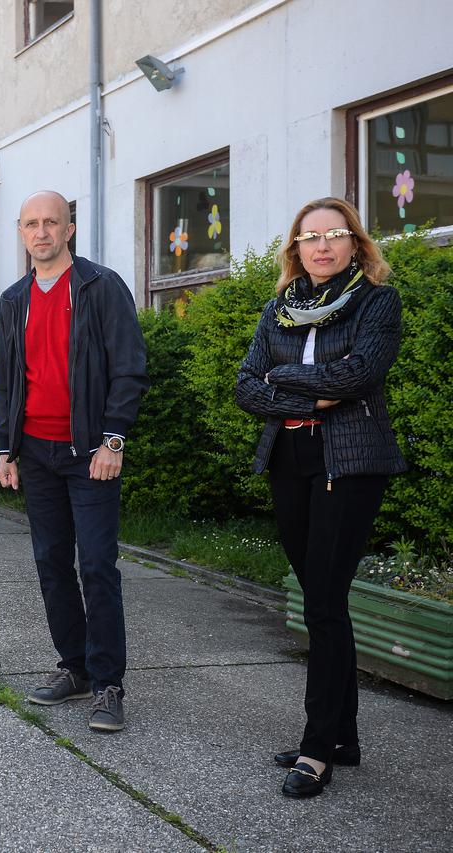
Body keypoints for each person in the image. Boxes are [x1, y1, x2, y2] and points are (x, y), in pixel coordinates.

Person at [234, 197, 403, 799]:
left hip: (347, 461)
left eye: (334, 234)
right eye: (311, 237)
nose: (322, 245)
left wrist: (282, 379)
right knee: (320, 600)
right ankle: (343, 738)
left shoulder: (377, 301)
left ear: (355, 243)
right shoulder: (279, 308)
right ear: (296, 249)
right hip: (290, 457)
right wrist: (311, 395)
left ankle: (317, 749)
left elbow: (359, 375)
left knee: (324, 605)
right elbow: (246, 387)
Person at [0, 191, 148, 732]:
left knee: (98, 565)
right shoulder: (14, 299)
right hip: (36, 454)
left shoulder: (101, 287)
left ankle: (108, 684)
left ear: (68, 229)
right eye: (31, 224)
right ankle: (74, 668)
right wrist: (6, 448)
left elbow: (129, 368)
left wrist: (113, 441)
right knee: (51, 563)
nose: (41, 232)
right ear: (21, 232)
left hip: (90, 454)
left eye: (51, 222)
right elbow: (7, 380)